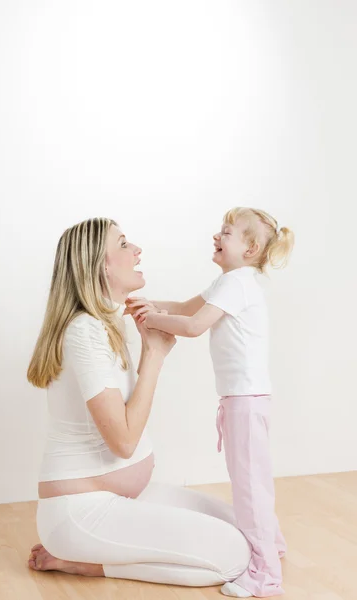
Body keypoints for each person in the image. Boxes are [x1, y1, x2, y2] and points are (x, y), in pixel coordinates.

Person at [26, 217, 250, 587]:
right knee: (234, 557)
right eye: (125, 244)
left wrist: (152, 346)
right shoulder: (84, 332)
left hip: (123, 497)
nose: (137, 251)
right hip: (83, 512)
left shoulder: (104, 324)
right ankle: (89, 564)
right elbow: (125, 442)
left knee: (244, 527)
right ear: (103, 264)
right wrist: (155, 356)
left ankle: (92, 555)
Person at [126, 207, 294, 597]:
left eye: (227, 232)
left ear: (250, 248)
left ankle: (265, 576)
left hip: (245, 402)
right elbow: (185, 309)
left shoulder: (237, 283)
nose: (217, 236)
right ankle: (274, 544)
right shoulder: (232, 282)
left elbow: (193, 326)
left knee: (249, 486)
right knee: (252, 482)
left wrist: (152, 319)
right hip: (244, 400)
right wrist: (149, 305)